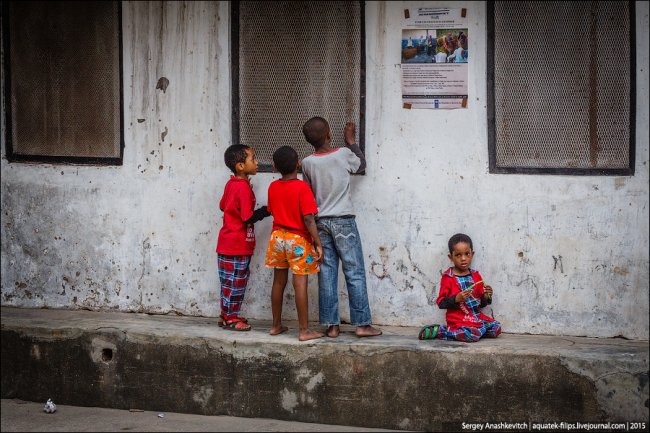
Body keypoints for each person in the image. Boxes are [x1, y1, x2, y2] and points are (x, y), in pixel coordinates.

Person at [301, 117, 382, 338]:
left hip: (320, 223)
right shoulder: (343, 154)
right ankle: (362, 324)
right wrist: (351, 141)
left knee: (326, 273)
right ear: (329, 133)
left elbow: (308, 194)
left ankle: (332, 326)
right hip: (344, 220)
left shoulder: (307, 162)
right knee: (354, 272)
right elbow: (361, 164)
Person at [264, 145, 325, 341]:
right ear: (299, 163)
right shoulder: (302, 188)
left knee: (278, 282)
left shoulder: (273, 187)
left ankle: (275, 325)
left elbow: (272, 210)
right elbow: (308, 219)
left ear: (274, 166)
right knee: (300, 284)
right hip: (297, 240)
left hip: (277, 238)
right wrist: (318, 242)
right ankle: (304, 330)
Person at [216, 144, 270, 331]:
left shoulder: (231, 184)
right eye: (253, 159)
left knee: (227, 282)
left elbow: (223, 206)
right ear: (240, 166)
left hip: (225, 242)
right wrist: (266, 211)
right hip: (237, 244)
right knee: (237, 281)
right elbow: (247, 217)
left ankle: (226, 314)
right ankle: (231, 318)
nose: (256, 162)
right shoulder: (243, 188)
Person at [418, 233, 502, 342]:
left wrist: (486, 296)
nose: (463, 258)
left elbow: (480, 303)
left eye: (467, 254)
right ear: (451, 257)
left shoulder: (476, 275)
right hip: (458, 319)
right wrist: (456, 299)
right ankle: (441, 331)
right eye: (458, 255)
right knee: (471, 335)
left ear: (472, 254)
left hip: (475, 317)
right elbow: (441, 302)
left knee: (496, 328)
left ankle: (475, 330)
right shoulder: (448, 277)